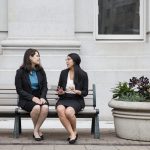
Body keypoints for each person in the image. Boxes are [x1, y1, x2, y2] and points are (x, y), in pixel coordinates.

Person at [15, 48, 49, 141]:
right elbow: (19, 90)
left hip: (40, 97)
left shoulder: (41, 71)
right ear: (30, 57)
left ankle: (36, 130)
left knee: (45, 108)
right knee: (37, 108)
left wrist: (42, 97)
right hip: (26, 99)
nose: (39, 58)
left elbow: (45, 86)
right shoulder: (20, 72)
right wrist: (32, 98)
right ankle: (37, 131)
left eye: (39, 56)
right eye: (37, 56)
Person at [56, 53, 88, 144]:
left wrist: (77, 91)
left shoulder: (83, 74)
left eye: (68, 59)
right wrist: (60, 92)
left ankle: (74, 131)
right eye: (66, 59)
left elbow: (85, 92)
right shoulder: (63, 73)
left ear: (75, 61)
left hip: (77, 99)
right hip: (64, 98)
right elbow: (59, 88)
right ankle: (72, 134)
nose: (66, 61)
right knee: (60, 109)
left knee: (69, 112)